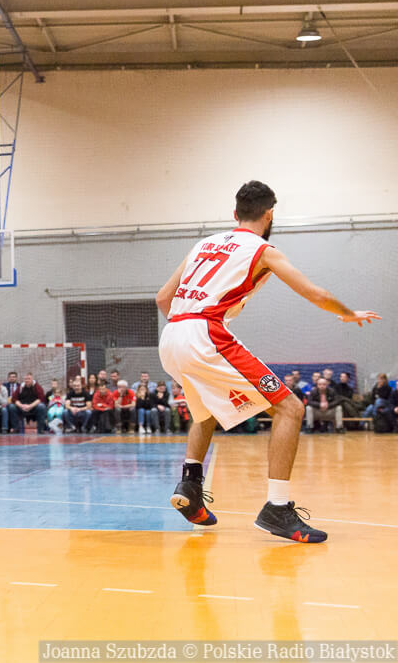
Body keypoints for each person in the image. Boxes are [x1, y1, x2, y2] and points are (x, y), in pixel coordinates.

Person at [157, 180, 378, 543]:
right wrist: (348, 313)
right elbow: (314, 293)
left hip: (173, 334)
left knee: (205, 409)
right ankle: (276, 508)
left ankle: (190, 484)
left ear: (235, 213)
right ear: (270, 214)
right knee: (290, 408)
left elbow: (162, 298)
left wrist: (185, 334)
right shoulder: (262, 250)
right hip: (205, 333)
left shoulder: (203, 244)